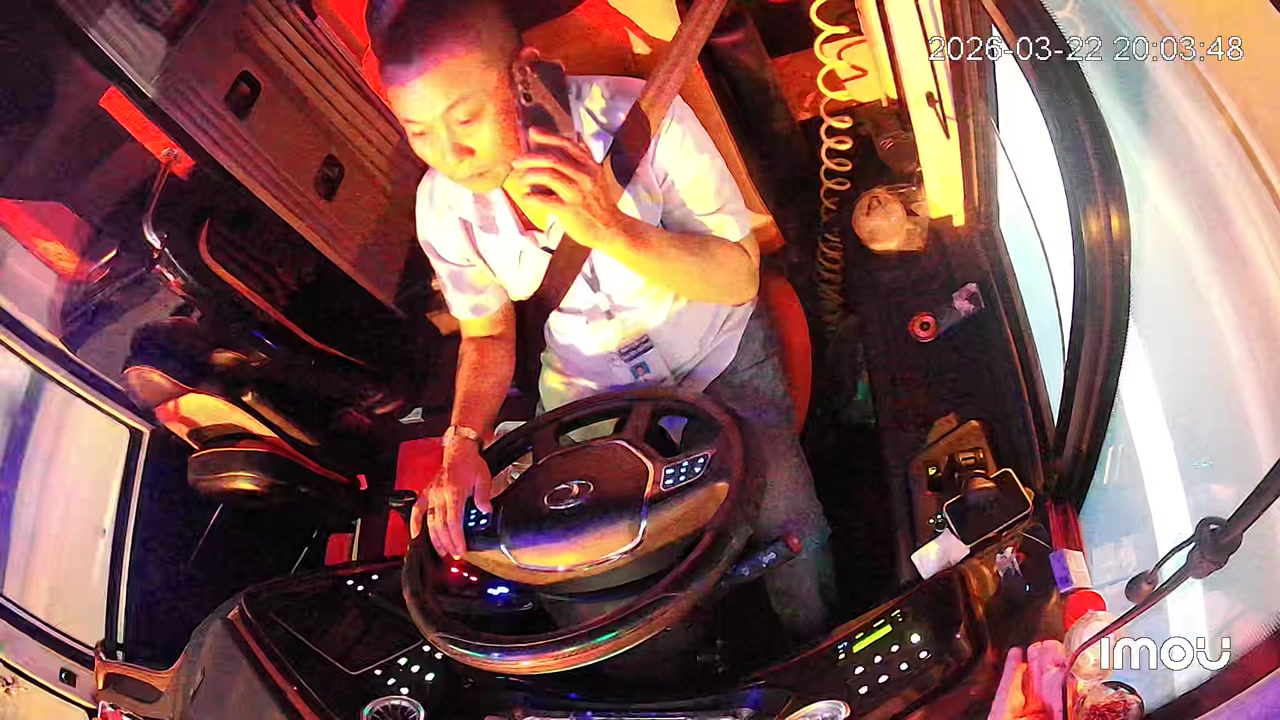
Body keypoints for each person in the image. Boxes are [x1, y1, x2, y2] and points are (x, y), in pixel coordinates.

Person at [368, 0, 834, 640]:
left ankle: (814, 642)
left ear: (524, 73)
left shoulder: (643, 119)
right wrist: (462, 442)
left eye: (467, 117)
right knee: (576, 566)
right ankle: (680, 665)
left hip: (714, 354)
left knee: (788, 520)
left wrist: (611, 228)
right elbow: (488, 331)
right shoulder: (442, 207)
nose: (453, 155)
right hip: (591, 391)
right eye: (420, 132)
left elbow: (737, 277)